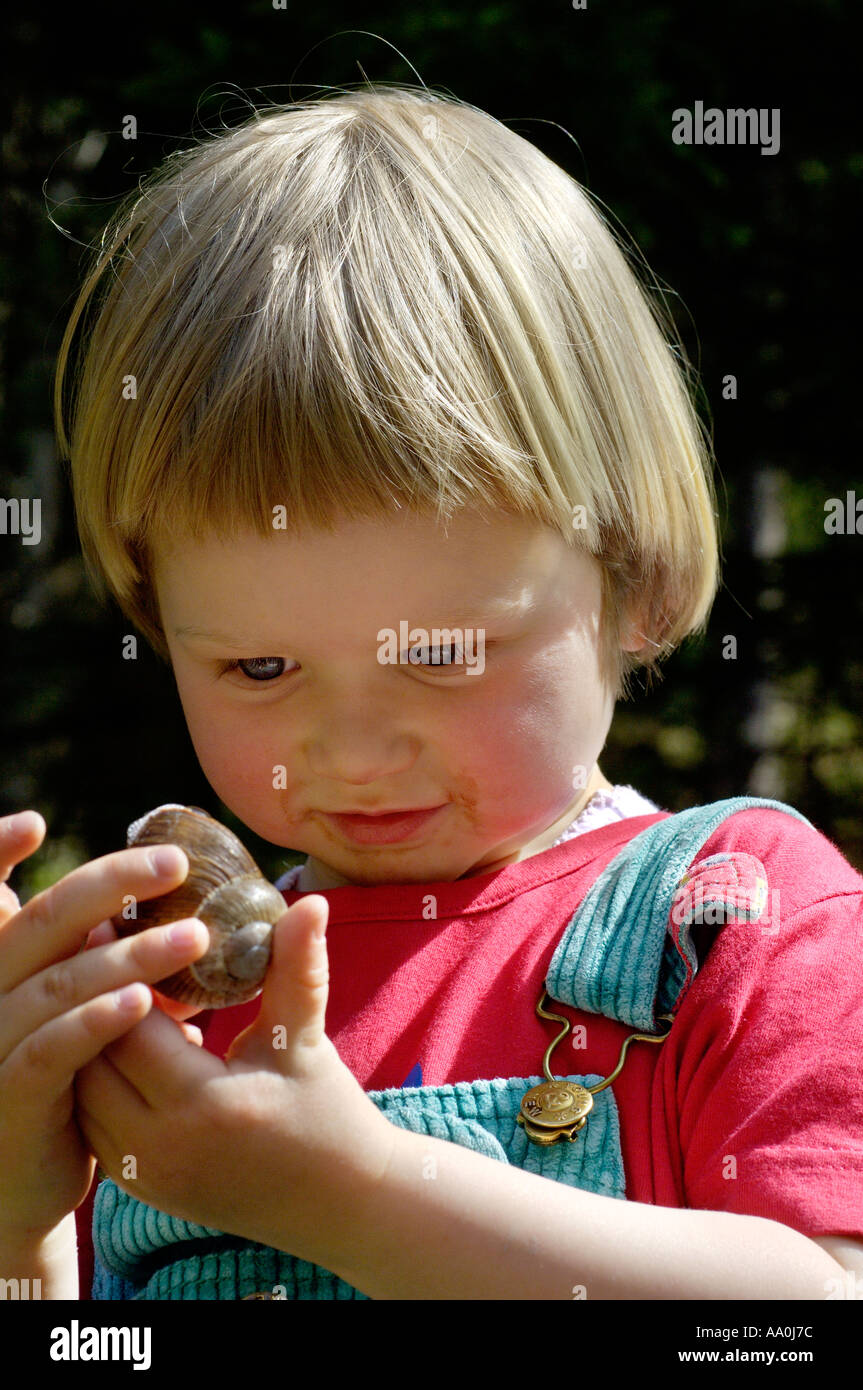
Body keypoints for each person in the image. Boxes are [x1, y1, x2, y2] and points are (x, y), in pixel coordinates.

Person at [1, 83, 861, 1301]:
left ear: (635, 586)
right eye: (258, 668)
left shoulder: (729, 924)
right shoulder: (165, 1003)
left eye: (444, 654)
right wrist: (19, 1228)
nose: (349, 751)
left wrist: (352, 1196)